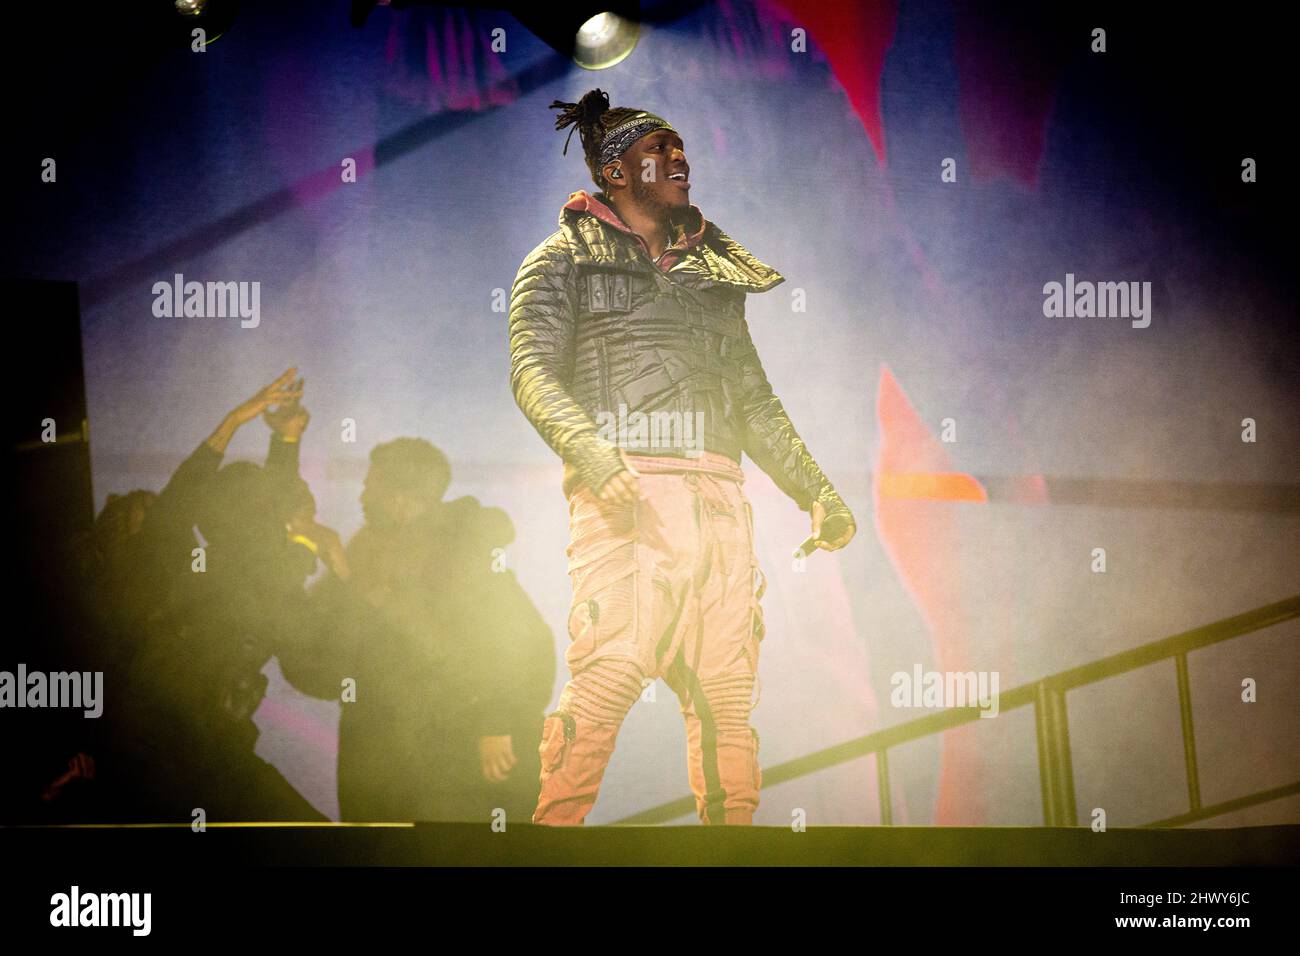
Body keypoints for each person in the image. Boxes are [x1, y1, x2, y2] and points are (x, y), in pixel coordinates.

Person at [508, 89, 856, 825]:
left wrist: (818, 492)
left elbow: (754, 400)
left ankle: (732, 851)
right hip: (631, 497)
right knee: (608, 676)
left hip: (721, 501)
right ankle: (548, 840)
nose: (677, 161)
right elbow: (531, 372)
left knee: (727, 698)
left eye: (680, 152)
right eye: (656, 153)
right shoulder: (561, 258)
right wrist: (599, 463)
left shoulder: (711, 274)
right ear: (613, 172)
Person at [306, 438, 555, 822]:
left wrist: (495, 721)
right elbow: (327, 664)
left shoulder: (462, 552)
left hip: (451, 763)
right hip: (393, 763)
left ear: (400, 498)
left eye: (370, 486)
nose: (362, 498)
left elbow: (515, 642)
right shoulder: (370, 553)